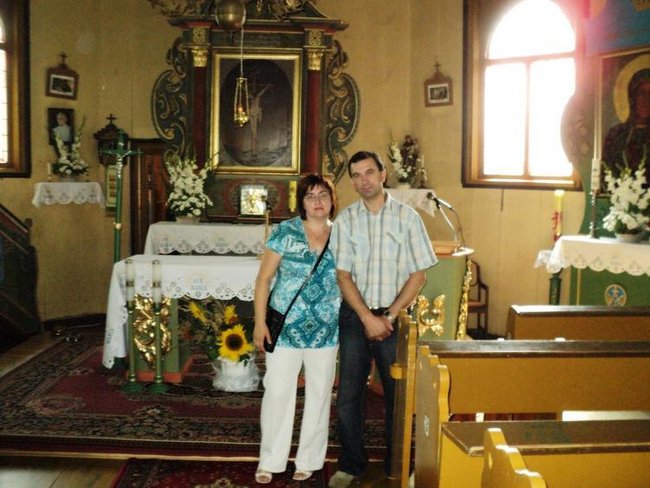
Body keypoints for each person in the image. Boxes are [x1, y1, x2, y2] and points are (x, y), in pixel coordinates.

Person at [328, 151, 437, 488]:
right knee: (349, 394)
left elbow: (418, 275)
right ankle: (352, 464)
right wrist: (366, 317)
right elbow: (343, 276)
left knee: (397, 395)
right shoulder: (346, 220)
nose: (364, 180)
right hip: (355, 315)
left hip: (394, 316)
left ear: (383, 173)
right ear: (352, 181)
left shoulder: (408, 218)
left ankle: (397, 464)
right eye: (356, 175)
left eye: (369, 172)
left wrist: (387, 315)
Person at [253, 173, 340, 485]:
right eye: (310, 196)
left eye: (323, 195)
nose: (317, 201)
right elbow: (263, 279)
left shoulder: (343, 235)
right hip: (285, 328)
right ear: (301, 202)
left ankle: (309, 459)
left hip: (326, 329)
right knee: (277, 391)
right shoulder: (286, 231)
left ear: (332, 200)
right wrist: (260, 322)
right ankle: (270, 460)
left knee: (320, 394)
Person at [602, 68, 650, 187]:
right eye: (642, 93)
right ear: (632, 97)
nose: (647, 100)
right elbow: (606, 172)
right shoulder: (616, 134)